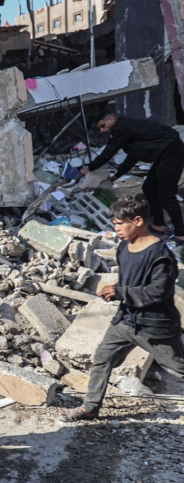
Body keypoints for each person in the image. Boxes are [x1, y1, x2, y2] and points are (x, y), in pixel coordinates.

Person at [63, 195, 184, 421]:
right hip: (126, 320)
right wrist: (116, 290)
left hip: (155, 325)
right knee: (102, 358)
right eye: (115, 224)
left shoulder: (160, 255)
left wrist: (119, 292)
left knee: (179, 368)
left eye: (120, 224)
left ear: (138, 220)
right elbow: (131, 282)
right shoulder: (124, 247)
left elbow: (159, 292)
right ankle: (90, 407)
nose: (116, 228)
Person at [80, 113, 184, 244]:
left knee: (166, 195)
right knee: (149, 188)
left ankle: (180, 233)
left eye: (103, 126)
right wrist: (116, 176)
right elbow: (133, 156)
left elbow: (109, 151)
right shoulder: (128, 131)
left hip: (172, 152)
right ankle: (159, 224)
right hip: (163, 154)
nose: (103, 130)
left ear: (112, 120)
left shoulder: (121, 127)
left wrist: (90, 167)